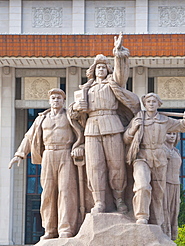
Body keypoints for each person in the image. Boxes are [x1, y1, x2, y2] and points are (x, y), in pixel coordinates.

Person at [72, 33, 140, 214]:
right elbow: (73, 112)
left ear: (107, 70)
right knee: (95, 166)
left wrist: (117, 54)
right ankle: (99, 202)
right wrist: (77, 108)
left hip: (112, 124)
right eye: (97, 67)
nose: (100, 70)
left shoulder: (113, 84)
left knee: (116, 165)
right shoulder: (85, 89)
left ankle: (119, 199)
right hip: (92, 128)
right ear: (93, 71)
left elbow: (121, 74)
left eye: (103, 67)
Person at [9, 88, 83, 239]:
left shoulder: (70, 117)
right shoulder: (41, 119)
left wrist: (80, 147)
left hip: (65, 154)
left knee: (66, 192)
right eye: (53, 98)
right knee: (48, 193)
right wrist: (20, 154)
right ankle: (50, 229)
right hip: (48, 155)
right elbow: (29, 137)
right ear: (49, 101)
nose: (56, 100)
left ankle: (65, 228)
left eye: (59, 98)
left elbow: (83, 134)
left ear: (63, 101)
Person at [124, 93, 185, 227]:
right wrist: (132, 129)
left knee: (158, 193)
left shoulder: (164, 120)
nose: (151, 103)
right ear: (145, 104)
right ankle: (141, 216)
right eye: (148, 101)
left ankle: (156, 222)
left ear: (158, 104)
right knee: (142, 186)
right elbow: (126, 139)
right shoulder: (138, 119)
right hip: (141, 156)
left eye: (154, 101)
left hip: (159, 159)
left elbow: (182, 126)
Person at [162, 132, 181, 240]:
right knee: (165, 211)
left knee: (174, 212)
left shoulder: (176, 151)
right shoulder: (163, 150)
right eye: (169, 133)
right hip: (165, 184)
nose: (172, 136)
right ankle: (165, 234)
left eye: (174, 134)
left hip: (175, 184)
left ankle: (172, 237)